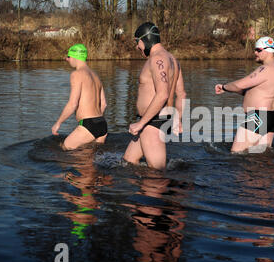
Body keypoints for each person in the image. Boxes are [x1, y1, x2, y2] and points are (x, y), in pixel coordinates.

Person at [123, 22, 186, 171]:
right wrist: (178, 119)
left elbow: (162, 94)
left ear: (144, 40)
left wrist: (141, 123)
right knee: (128, 161)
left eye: (137, 42)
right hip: (157, 120)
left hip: (152, 121)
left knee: (156, 174)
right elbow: (181, 93)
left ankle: (162, 192)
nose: (137, 47)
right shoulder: (172, 59)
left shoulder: (157, 59)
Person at [215, 36, 274, 153]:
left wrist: (224, 86)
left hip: (259, 117)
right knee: (262, 156)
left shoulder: (265, 69)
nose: (255, 52)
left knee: (236, 154)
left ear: (268, 50)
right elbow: (251, 92)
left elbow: (239, 85)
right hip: (272, 116)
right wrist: (228, 90)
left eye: (258, 50)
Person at [52, 44, 108, 150]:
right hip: (102, 124)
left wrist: (58, 123)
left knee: (65, 149)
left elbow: (73, 104)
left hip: (88, 125)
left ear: (75, 56)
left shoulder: (77, 74)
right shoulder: (96, 76)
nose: (66, 59)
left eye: (68, 56)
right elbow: (104, 104)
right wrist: (96, 121)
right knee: (89, 161)